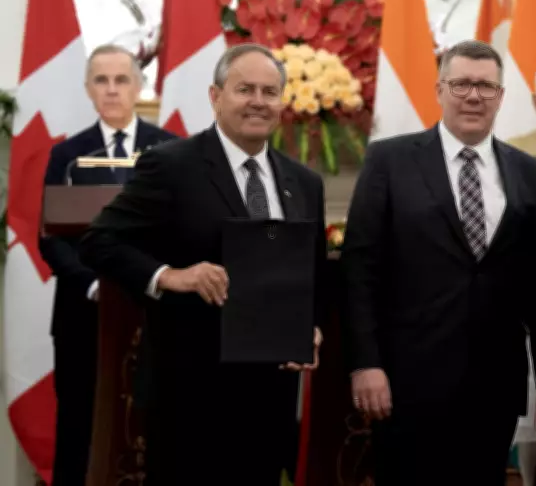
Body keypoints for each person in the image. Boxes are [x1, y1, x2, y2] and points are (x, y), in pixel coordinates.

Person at [78, 43, 326, 485]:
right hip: (189, 398)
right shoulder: (172, 166)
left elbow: (312, 273)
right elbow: (100, 240)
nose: (258, 101)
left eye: (269, 92)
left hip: (270, 401)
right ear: (215, 96)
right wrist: (170, 276)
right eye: (244, 89)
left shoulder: (304, 182)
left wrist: (310, 325)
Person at [340, 39, 536, 486]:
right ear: (439, 90)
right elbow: (359, 270)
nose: (473, 96)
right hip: (404, 381)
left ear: (501, 95)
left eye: (485, 86)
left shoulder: (529, 172)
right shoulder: (389, 160)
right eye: (461, 85)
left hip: (494, 385)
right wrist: (366, 363)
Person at [38, 43, 176, 486]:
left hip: (155, 312)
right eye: (101, 80)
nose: (112, 89)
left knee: (155, 423)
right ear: (88, 89)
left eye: (121, 80)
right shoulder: (67, 155)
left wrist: (152, 280)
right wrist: (93, 285)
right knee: (78, 424)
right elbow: (51, 240)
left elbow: (184, 230)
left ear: (138, 87)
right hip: (83, 314)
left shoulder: (171, 150)